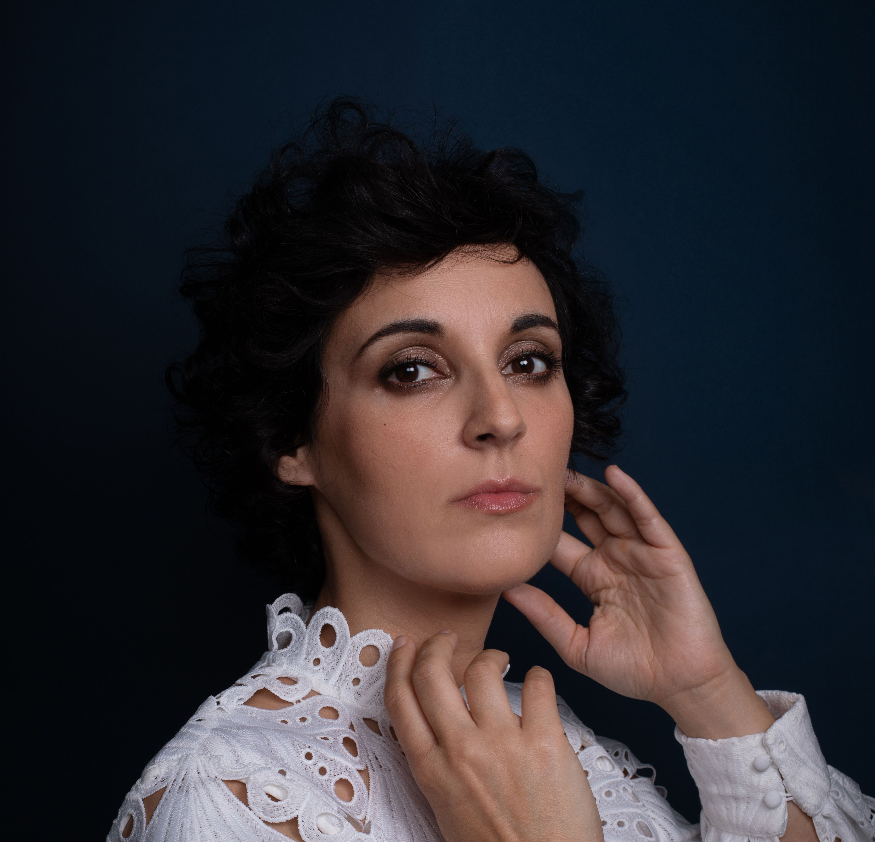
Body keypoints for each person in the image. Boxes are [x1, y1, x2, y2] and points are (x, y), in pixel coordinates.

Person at [108, 98, 874, 842]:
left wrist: (706, 694)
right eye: (412, 370)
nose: (502, 417)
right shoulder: (228, 799)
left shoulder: (544, 742)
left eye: (528, 361)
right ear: (291, 440)